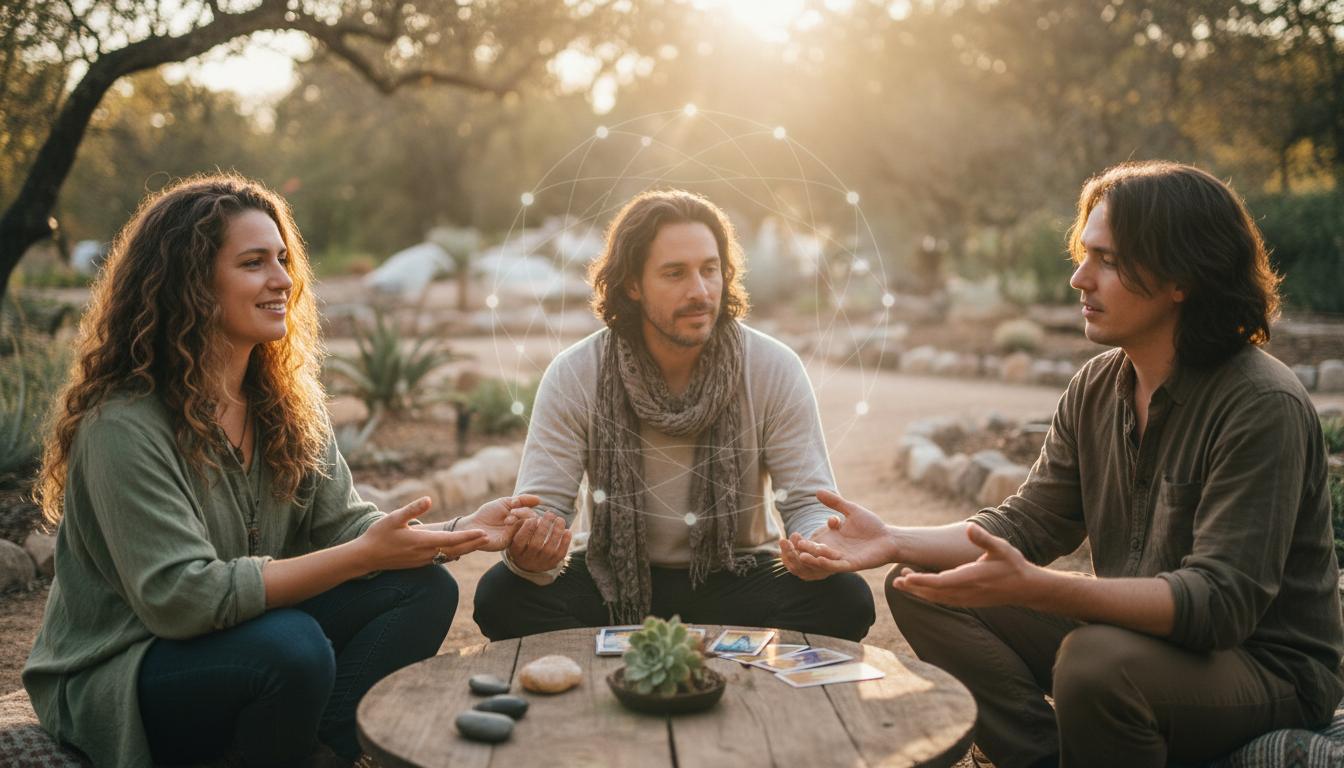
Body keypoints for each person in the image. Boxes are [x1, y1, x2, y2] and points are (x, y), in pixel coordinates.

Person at [780, 161, 1343, 768]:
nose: (1079, 278)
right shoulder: (1098, 386)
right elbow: (1027, 523)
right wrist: (893, 539)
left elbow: (1218, 607)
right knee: (923, 584)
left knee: (1093, 665)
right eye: (1084, 255)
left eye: (1108, 260)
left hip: (1264, 668)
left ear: (1182, 275)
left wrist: (1044, 590)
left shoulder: (1261, 404)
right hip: (1139, 644)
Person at [22, 174, 536, 768]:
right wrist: (363, 556)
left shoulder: (283, 404)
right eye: (253, 263)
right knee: (291, 647)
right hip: (127, 665)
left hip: (241, 638)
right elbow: (182, 599)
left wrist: (459, 530)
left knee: (421, 589)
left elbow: (348, 527)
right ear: (190, 284)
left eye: (283, 259)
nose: (282, 279)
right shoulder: (122, 424)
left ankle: (322, 752)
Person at [472, 189, 875, 641]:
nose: (700, 291)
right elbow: (543, 506)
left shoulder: (772, 366)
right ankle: (624, 667)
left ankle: (639, 652)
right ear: (632, 284)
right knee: (502, 595)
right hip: (613, 578)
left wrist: (818, 546)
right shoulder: (576, 373)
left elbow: (806, 502)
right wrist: (533, 552)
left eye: (710, 270)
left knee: (845, 598)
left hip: (736, 573)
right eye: (675, 273)